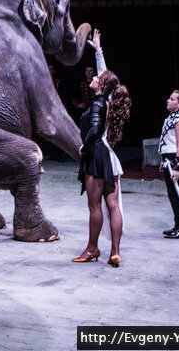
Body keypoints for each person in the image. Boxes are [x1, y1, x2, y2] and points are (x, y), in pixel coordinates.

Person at [72, 29, 131, 268]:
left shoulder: (98, 103)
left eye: (98, 77)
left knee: (95, 206)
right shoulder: (109, 99)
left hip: (96, 154)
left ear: (102, 84)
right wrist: (98, 51)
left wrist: (84, 148)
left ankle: (92, 248)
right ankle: (115, 251)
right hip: (108, 155)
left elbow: (95, 129)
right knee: (113, 205)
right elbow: (107, 76)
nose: (94, 77)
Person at [158, 89, 179, 239]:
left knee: (175, 194)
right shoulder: (172, 118)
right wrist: (163, 161)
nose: (168, 101)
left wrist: (177, 167)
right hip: (169, 159)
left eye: (172, 99)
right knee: (172, 194)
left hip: (175, 159)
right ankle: (178, 225)